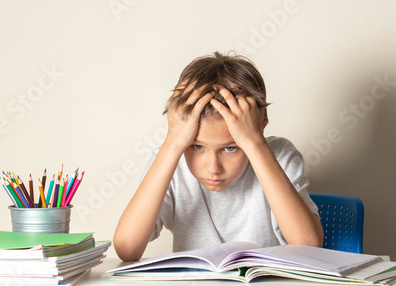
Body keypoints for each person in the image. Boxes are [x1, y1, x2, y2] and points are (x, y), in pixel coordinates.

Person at [113, 51, 323, 262]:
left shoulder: (280, 155)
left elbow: (309, 247)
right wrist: (173, 143)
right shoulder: (171, 158)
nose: (213, 168)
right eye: (197, 146)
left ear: (259, 130)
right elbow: (127, 249)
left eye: (231, 148)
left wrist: (254, 143)